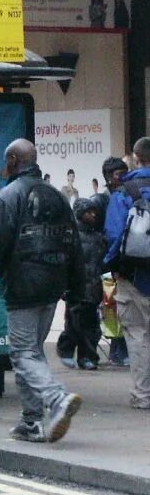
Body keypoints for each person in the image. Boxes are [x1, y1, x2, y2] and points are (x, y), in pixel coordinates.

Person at [0, 139, 83, 443]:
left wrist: (5, 270)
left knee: (23, 352)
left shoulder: (8, 196)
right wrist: (75, 286)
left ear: (13, 160)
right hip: (53, 285)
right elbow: (74, 244)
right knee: (32, 353)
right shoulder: (58, 196)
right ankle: (32, 422)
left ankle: (57, 398)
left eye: (6, 160)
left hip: (24, 285)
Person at [102, 136, 150, 410]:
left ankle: (143, 396)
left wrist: (112, 267)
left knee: (137, 335)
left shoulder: (124, 192)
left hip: (132, 277)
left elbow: (113, 234)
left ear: (135, 157)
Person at [56, 197, 105, 370]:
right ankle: (74, 352)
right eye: (88, 212)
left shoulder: (98, 237)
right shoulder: (70, 236)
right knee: (77, 324)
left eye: (94, 212)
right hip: (77, 287)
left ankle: (84, 355)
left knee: (89, 325)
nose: (92, 215)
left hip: (92, 287)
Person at [94, 156, 130, 366]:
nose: (123, 177)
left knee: (122, 306)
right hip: (106, 263)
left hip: (120, 262)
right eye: (119, 174)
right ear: (109, 176)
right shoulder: (101, 200)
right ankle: (117, 349)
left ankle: (121, 348)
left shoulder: (125, 195)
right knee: (110, 306)